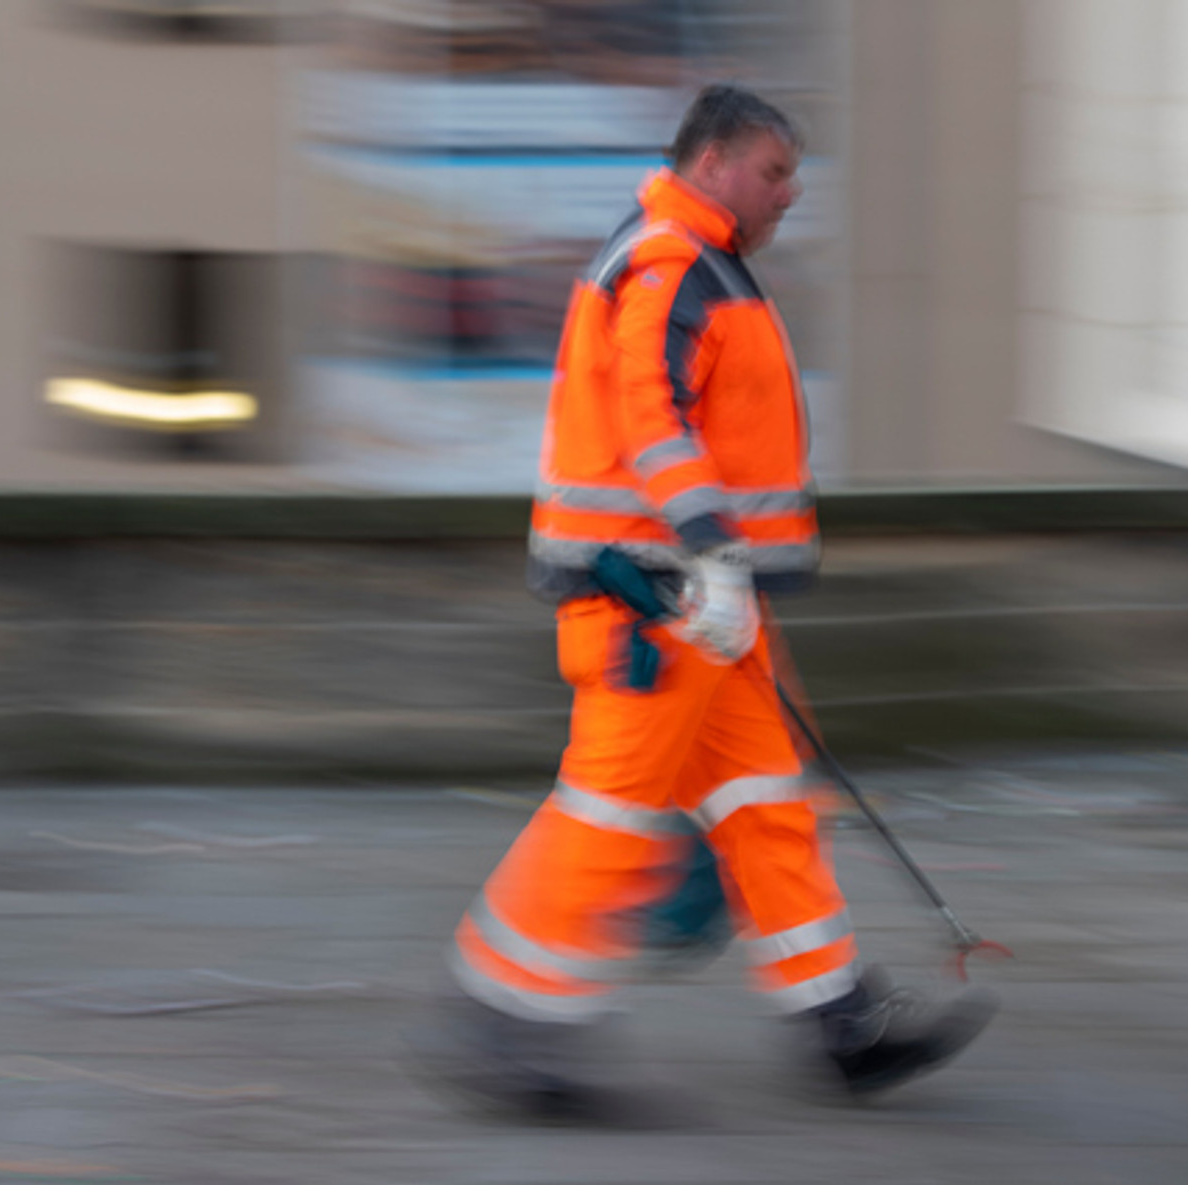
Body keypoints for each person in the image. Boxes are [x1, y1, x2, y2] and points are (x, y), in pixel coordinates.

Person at [421, 83, 995, 1122]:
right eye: (776, 172)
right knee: (608, 815)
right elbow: (653, 411)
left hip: (704, 610)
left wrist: (723, 571)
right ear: (715, 161)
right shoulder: (671, 262)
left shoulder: (698, 262)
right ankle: (507, 1027)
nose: (793, 193)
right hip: (663, 602)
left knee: (769, 809)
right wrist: (713, 549)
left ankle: (840, 1022)